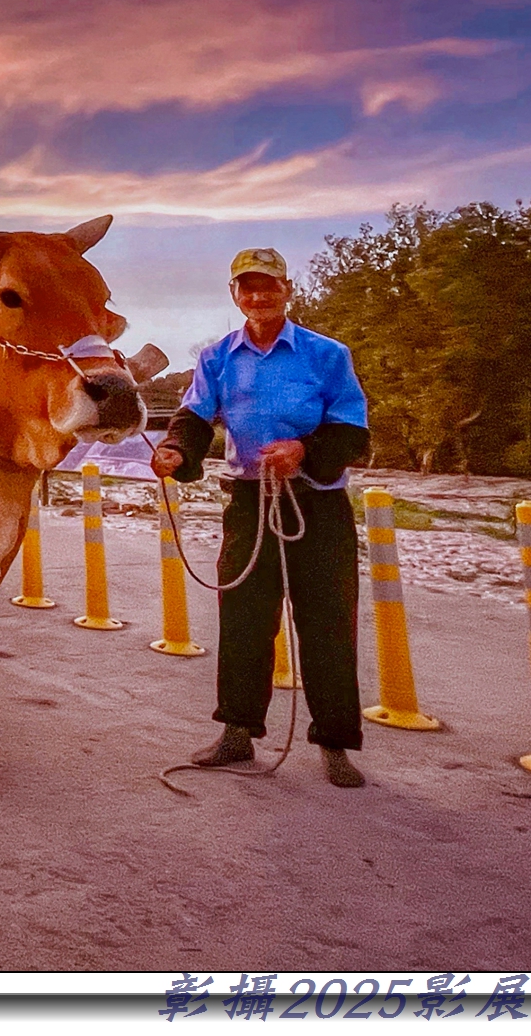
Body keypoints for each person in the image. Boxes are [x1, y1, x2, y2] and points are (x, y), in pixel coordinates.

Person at [151, 248, 372, 789]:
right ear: (234, 295)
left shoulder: (327, 355)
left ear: (286, 289)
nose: (258, 296)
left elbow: (353, 431)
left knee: (327, 622)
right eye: (247, 287)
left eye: (268, 285)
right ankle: (236, 733)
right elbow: (194, 417)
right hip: (250, 503)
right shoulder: (217, 358)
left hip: (315, 503)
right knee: (245, 619)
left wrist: (303, 448)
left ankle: (336, 743)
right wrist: (177, 452)